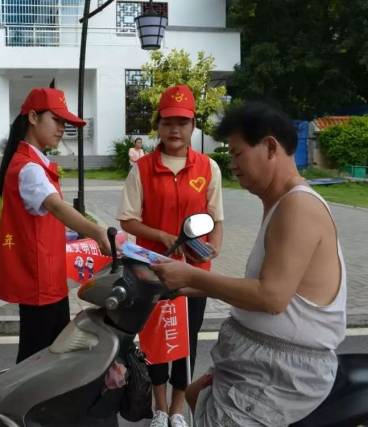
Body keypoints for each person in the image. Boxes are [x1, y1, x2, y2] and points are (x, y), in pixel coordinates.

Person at [151, 101, 346, 426]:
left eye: (238, 154)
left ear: (270, 147)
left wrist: (192, 276)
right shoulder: (281, 204)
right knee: (197, 392)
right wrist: (192, 286)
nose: (233, 165)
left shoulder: (297, 207)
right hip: (258, 358)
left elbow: (271, 297)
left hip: (281, 370)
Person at [118, 84, 224, 427]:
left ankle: (178, 410)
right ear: (158, 126)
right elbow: (128, 218)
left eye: (182, 121)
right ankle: (159, 408)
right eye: (167, 122)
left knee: (185, 341)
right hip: (153, 273)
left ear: (194, 125)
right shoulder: (143, 168)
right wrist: (162, 236)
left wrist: (215, 247)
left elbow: (216, 218)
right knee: (155, 340)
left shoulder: (209, 168)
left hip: (194, 276)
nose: (174, 129)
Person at [0, 87, 112, 364]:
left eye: (64, 123)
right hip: (39, 279)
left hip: (48, 276)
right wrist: (97, 231)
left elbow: (44, 217)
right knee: (38, 357)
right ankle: (21, 406)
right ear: (33, 117)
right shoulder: (29, 167)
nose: (62, 129)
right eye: (56, 120)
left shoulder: (34, 162)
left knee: (50, 351)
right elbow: (56, 206)